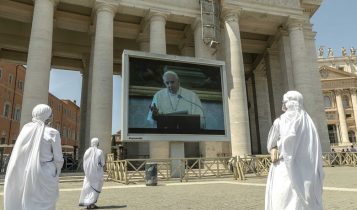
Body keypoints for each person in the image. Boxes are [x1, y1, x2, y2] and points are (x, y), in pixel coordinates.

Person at [265, 91, 324, 210]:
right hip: (305, 169)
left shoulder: (282, 121)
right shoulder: (309, 122)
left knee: (284, 199)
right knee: (297, 198)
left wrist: (273, 148)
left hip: (287, 168)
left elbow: (271, 143)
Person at [4, 104, 64, 210]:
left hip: (27, 171)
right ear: (48, 115)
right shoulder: (53, 132)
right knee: (46, 204)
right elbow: (59, 158)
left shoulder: (26, 129)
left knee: (29, 200)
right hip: (47, 172)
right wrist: (56, 171)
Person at [79, 137, 105, 209]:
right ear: (97, 143)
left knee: (88, 188)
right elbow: (103, 163)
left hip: (88, 174)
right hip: (97, 174)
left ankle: (88, 204)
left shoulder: (87, 151)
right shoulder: (99, 151)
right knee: (96, 187)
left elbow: (84, 162)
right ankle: (92, 204)